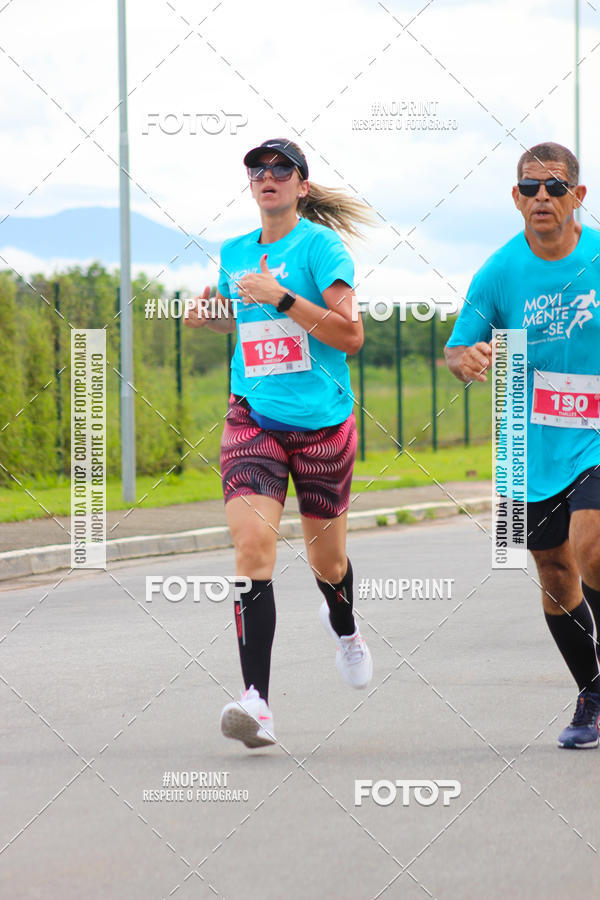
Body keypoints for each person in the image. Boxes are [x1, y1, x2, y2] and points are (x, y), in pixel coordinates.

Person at [185, 138, 374, 749]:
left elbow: (351, 336)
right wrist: (207, 314)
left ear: (302, 186)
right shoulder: (235, 252)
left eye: (280, 169)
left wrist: (284, 297)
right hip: (254, 418)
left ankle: (344, 626)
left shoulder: (321, 246)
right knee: (252, 550)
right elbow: (243, 324)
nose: (267, 177)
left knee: (329, 564)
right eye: (257, 169)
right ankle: (257, 704)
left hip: (321, 425)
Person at [445, 142, 600, 748]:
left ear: (578, 196)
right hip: (525, 445)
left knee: (591, 548)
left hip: (595, 436)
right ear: (515, 197)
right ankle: (591, 692)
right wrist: (471, 357)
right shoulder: (499, 271)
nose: (542, 197)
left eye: (555, 187)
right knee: (555, 573)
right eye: (529, 188)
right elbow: (457, 350)